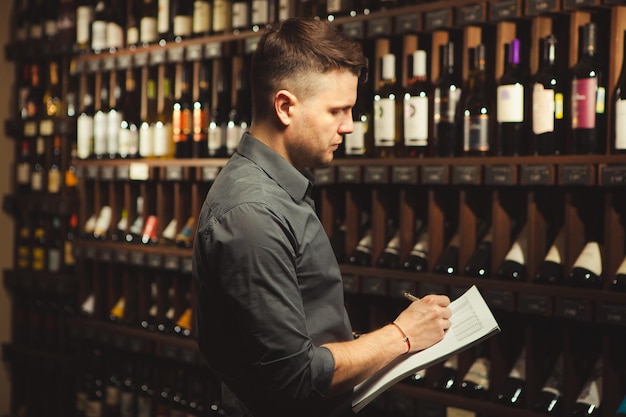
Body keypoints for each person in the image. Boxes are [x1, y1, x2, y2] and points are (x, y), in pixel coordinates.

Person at [192, 17, 451, 417]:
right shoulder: (253, 214)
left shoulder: (282, 188)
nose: (348, 126)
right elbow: (294, 378)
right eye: (337, 110)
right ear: (285, 106)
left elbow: (303, 334)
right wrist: (403, 335)